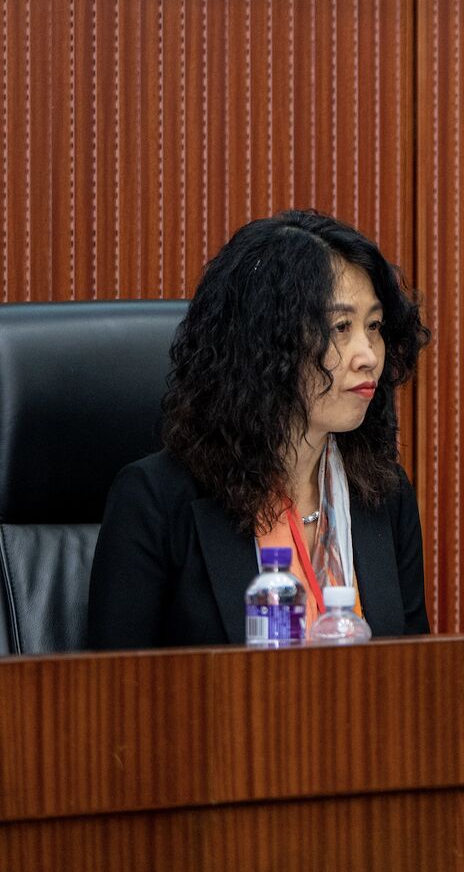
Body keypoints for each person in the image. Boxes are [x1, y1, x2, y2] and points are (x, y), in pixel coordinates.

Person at [86, 210, 433, 647]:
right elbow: (113, 697)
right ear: (267, 343)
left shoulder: (383, 495)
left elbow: (419, 677)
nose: (367, 355)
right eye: (341, 327)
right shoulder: (156, 501)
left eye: (374, 326)